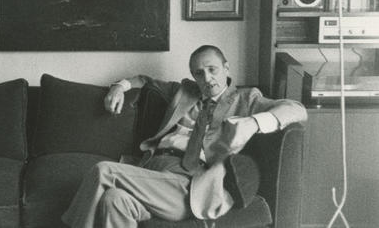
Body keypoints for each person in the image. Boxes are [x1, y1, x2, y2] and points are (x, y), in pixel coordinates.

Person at [62, 45, 307, 228]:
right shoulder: (184, 91)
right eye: (199, 73)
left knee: (104, 170)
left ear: (226, 68)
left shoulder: (246, 98)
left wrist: (254, 122)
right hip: (152, 172)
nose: (207, 78)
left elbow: (296, 109)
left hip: (189, 185)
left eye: (212, 70)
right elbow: (144, 80)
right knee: (114, 200)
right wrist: (119, 87)